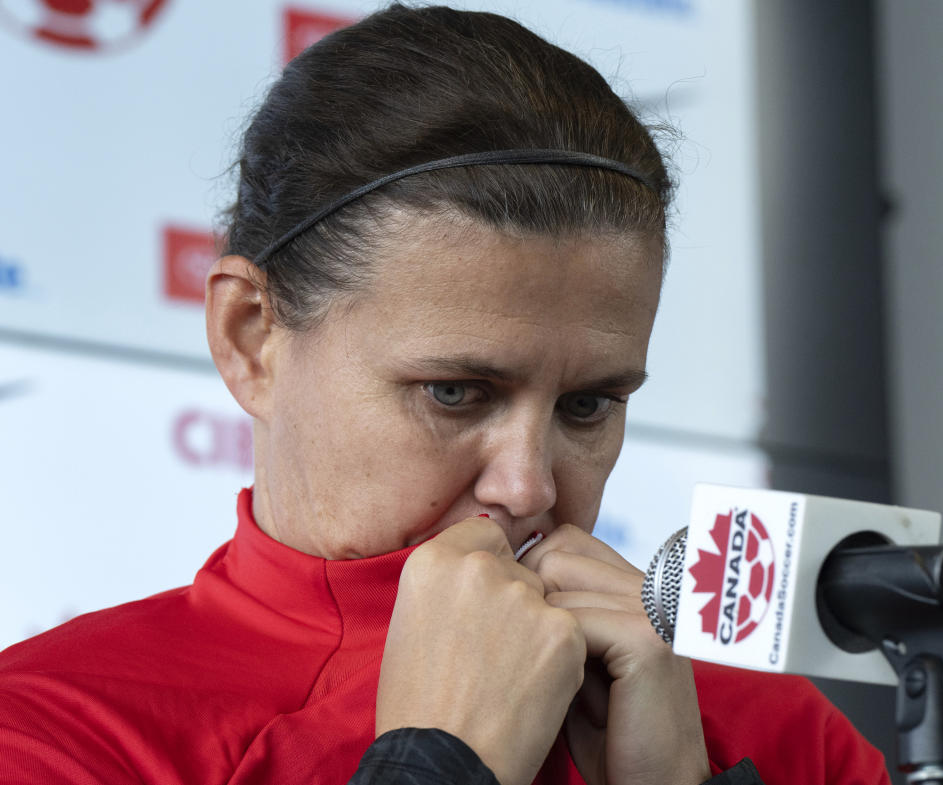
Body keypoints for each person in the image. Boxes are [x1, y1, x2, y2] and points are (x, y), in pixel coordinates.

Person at [0, 5, 889, 785]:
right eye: (456, 392)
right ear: (251, 337)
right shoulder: (53, 732)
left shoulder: (781, 736)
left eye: (588, 406)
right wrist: (437, 763)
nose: (529, 487)